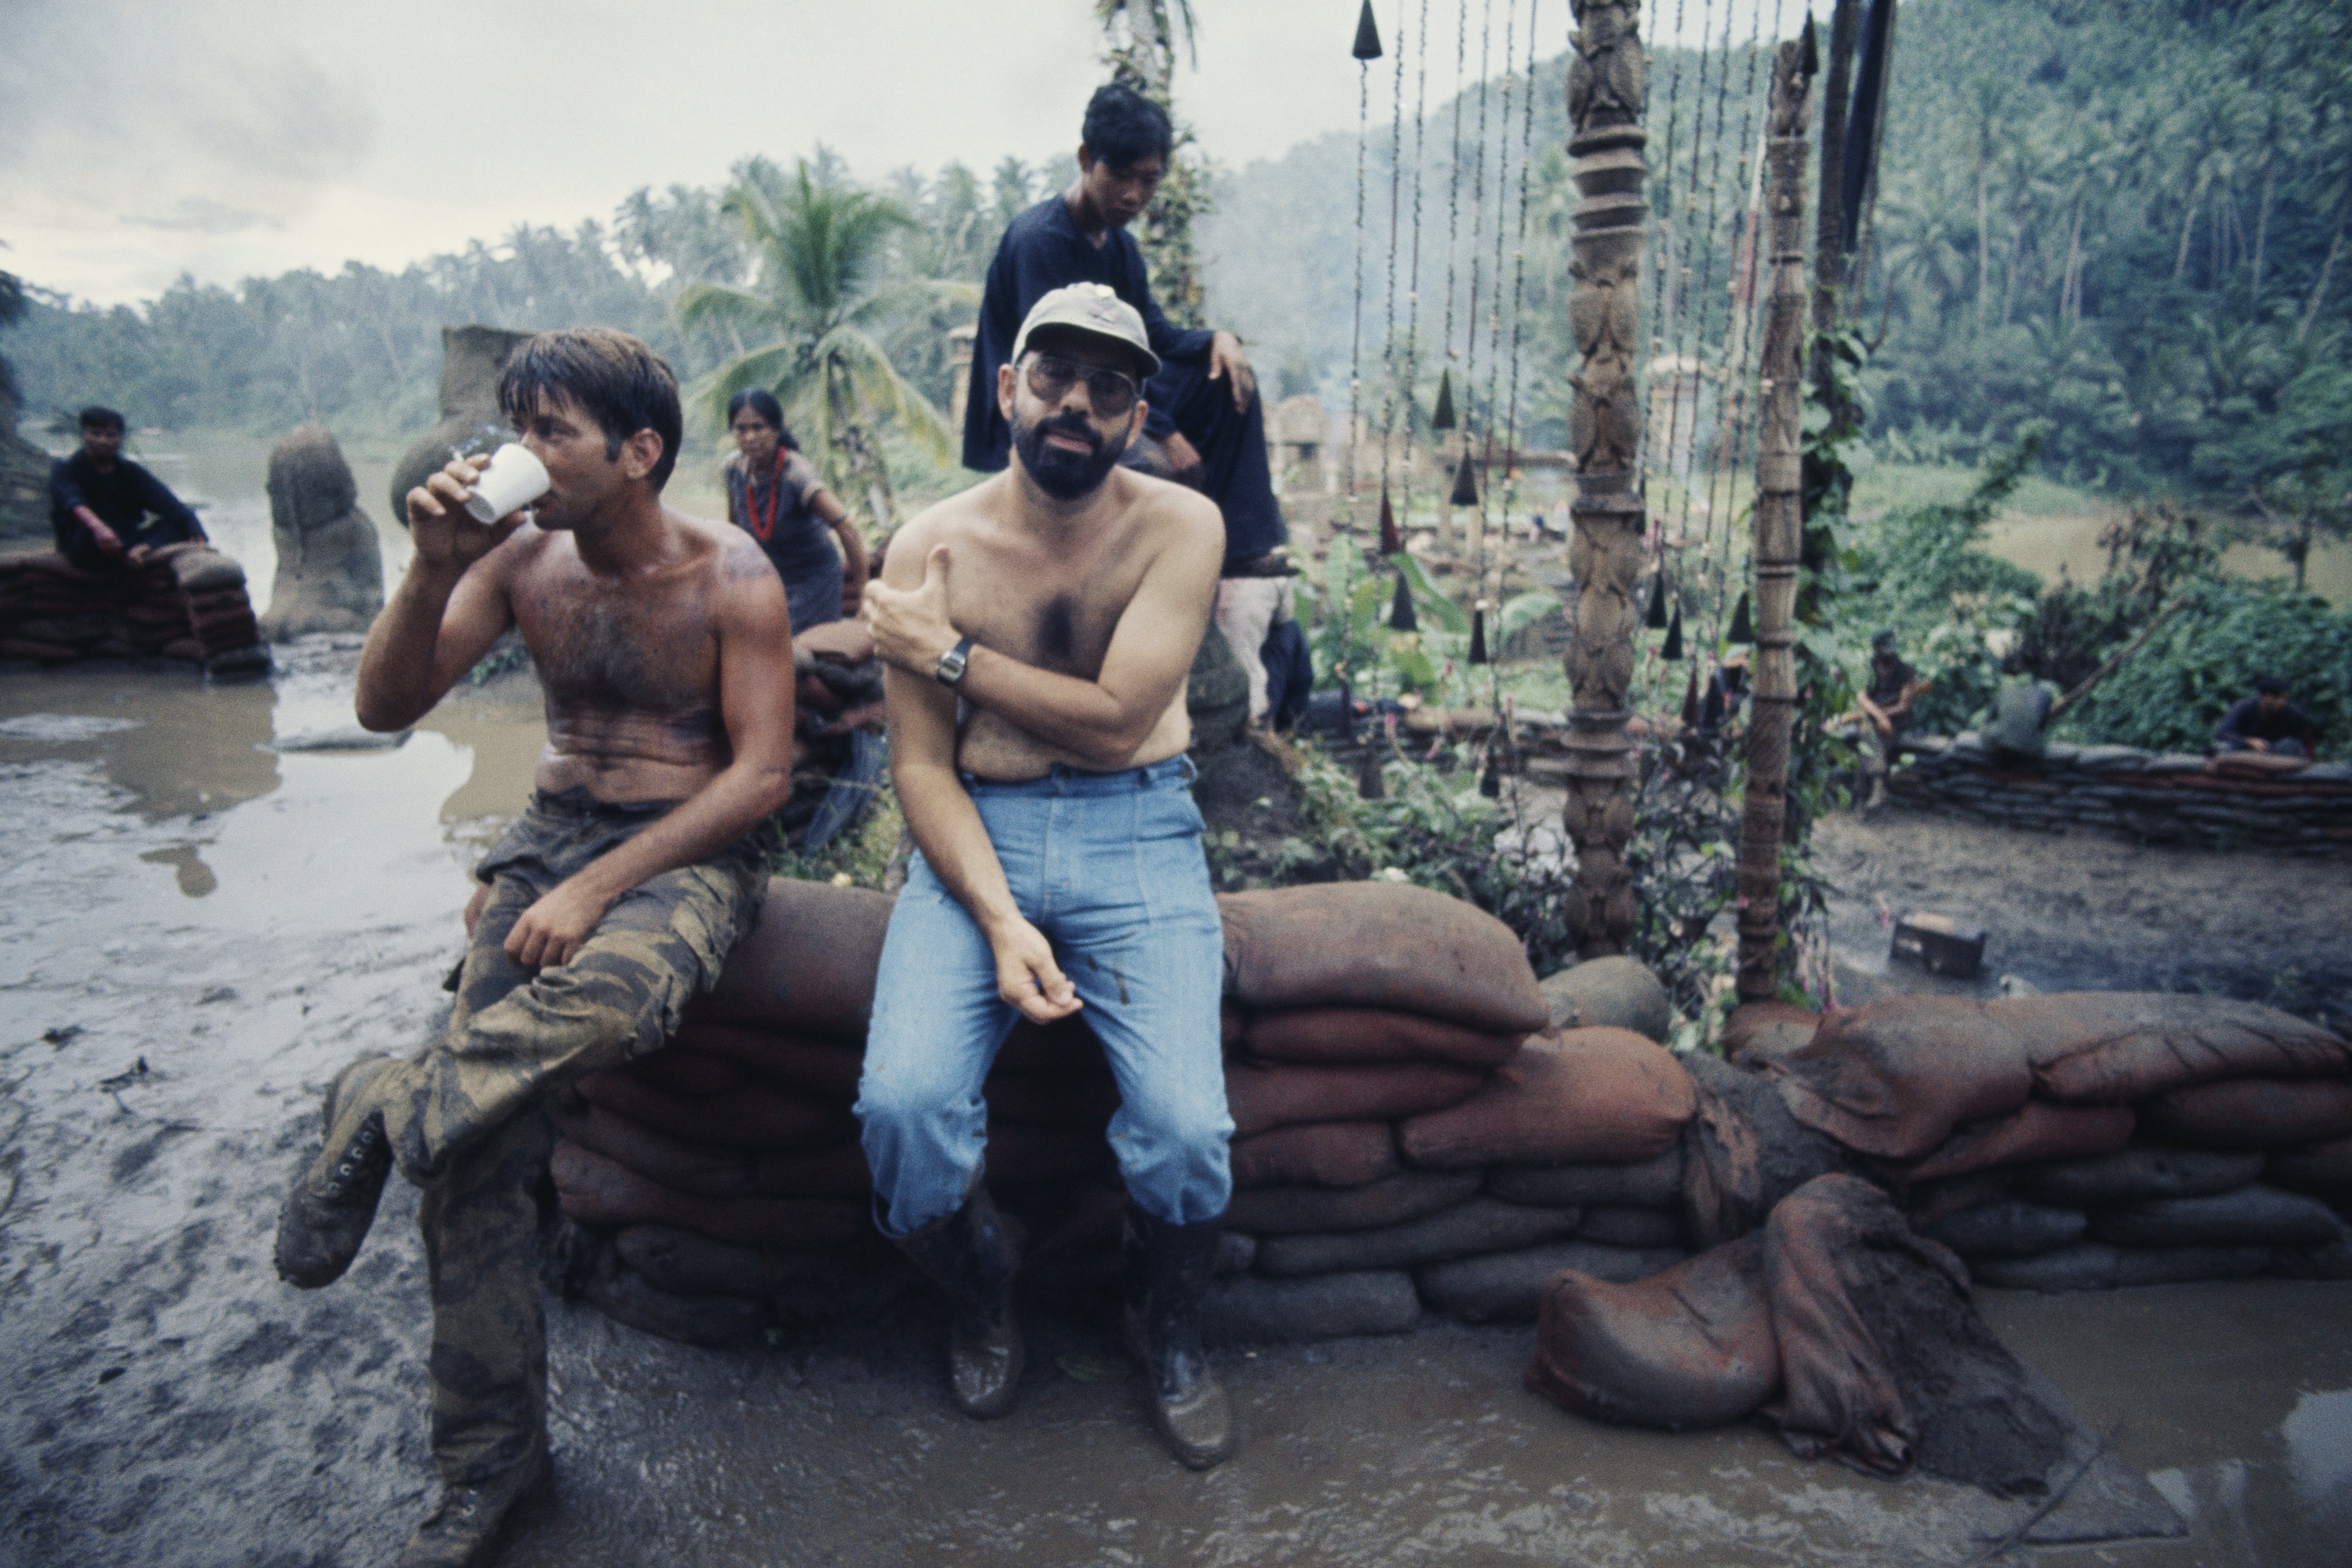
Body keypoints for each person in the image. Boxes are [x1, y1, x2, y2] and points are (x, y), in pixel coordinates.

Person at [270, 329, 796, 1567]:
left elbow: (764, 773)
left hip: (682, 847)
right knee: (476, 1147)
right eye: (520, 428)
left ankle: (383, 1091)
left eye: (551, 430)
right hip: (550, 828)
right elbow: (384, 708)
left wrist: (604, 883)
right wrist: (426, 566)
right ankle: (490, 1467)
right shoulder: (519, 558)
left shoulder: (734, 575)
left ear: (641, 449)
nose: (523, 454)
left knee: (611, 1006)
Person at [857, 286, 1237, 1468]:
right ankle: (982, 1280)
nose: (1078, 400)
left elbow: (1124, 720)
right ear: (1005, 384)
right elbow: (922, 764)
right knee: (904, 1111)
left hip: (1140, 832)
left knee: (1184, 1130)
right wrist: (999, 915)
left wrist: (955, 652)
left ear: (1136, 410)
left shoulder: (1181, 525)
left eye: (1111, 384)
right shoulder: (928, 547)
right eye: (1054, 373)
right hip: (980, 830)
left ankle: (1164, 1318)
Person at [963, 83, 1289, 717]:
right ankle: (1146, 575)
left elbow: (1156, 337)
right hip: (1042, 403)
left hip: (1104, 392)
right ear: (1086, 159)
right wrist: (1160, 431)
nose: (1134, 196)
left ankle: (1242, 544)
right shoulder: (1041, 239)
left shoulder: (1121, 248)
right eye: (1122, 177)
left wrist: (1219, 340)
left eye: (1149, 181)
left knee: (1228, 382)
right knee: (1146, 470)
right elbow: (1060, 362)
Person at [720, 387, 868, 632]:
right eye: (741, 429)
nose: (749, 437)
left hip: (814, 579)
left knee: (797, 650)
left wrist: (866, 598)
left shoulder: (797, 475)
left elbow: (848, 529)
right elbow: (734, 532)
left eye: (758, 428)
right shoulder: (733, 470)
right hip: (770, 576)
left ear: (777, 430)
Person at [46, 405, 208, 573]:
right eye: (96, 434)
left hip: (127, 540)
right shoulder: (65, 468)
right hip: (85, 541)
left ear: (121, 439)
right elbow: (72, 503)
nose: (103, 441)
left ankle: (143, 549)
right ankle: (130, 554)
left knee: (181, 524)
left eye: (111, 435)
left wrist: (195, 529)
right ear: (84, 436)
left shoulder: (131, 472)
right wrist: (99, 529)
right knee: (88, 538)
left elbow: (174, 508)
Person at [1856, 630, 1919, 813]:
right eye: (1885, 647)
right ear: (1876, 649)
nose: (1890, 651)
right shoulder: (1869, 669)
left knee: (1869, 739)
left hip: (1896, 722)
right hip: (1873, 719)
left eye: (1892, 647)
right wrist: (1879, 716)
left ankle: (1863, 794)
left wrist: (1884, 717)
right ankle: (1877, 785)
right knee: (1867, 734)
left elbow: (1903, 706)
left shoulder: (1906, 671)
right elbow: (1863, 699)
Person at [2214, 675, 2318, 758]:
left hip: (2277, 754)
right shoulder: (2244, 707)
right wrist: (2249, 741)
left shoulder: (2295, 713)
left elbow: (2306, 741)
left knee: (2291, 745)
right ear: (2267, 698)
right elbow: (2223, 733)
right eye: (2281, 698)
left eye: (2286, 698)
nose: (2285, 701)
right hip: (2245, 751)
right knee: (2222, 747)